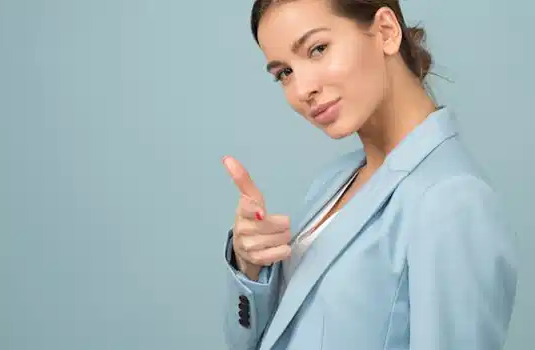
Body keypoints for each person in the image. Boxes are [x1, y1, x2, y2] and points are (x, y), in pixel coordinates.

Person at [221, 0, 518, 349]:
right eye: (284, 72)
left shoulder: (451, 199)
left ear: (386, 32)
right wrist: (251, 266)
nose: (302, 90)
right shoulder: (333, 180)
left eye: (317, 49)